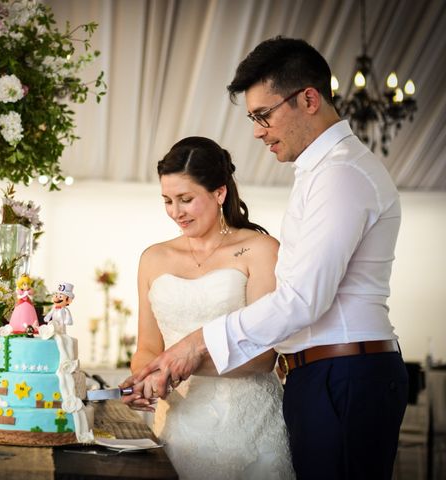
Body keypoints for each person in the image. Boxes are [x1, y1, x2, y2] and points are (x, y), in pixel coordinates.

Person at [122, 37, 408, 480]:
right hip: (325, 373)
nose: (256, 131)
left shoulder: (340, 174)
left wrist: (195, 344)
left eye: (263, 114)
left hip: (344, 374)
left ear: (308, 99)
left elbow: (301, 299)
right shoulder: (320, 172)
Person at [124, 136, 294, 479]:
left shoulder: (261, 250)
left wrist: (176, 368)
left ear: (219, 193)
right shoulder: (153, 259)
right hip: (180, 426)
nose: (175, 212)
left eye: (186, 199)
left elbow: (264, 356)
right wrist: (145, 378)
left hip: (250, 427)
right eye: (168, 200)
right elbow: (147, 348)